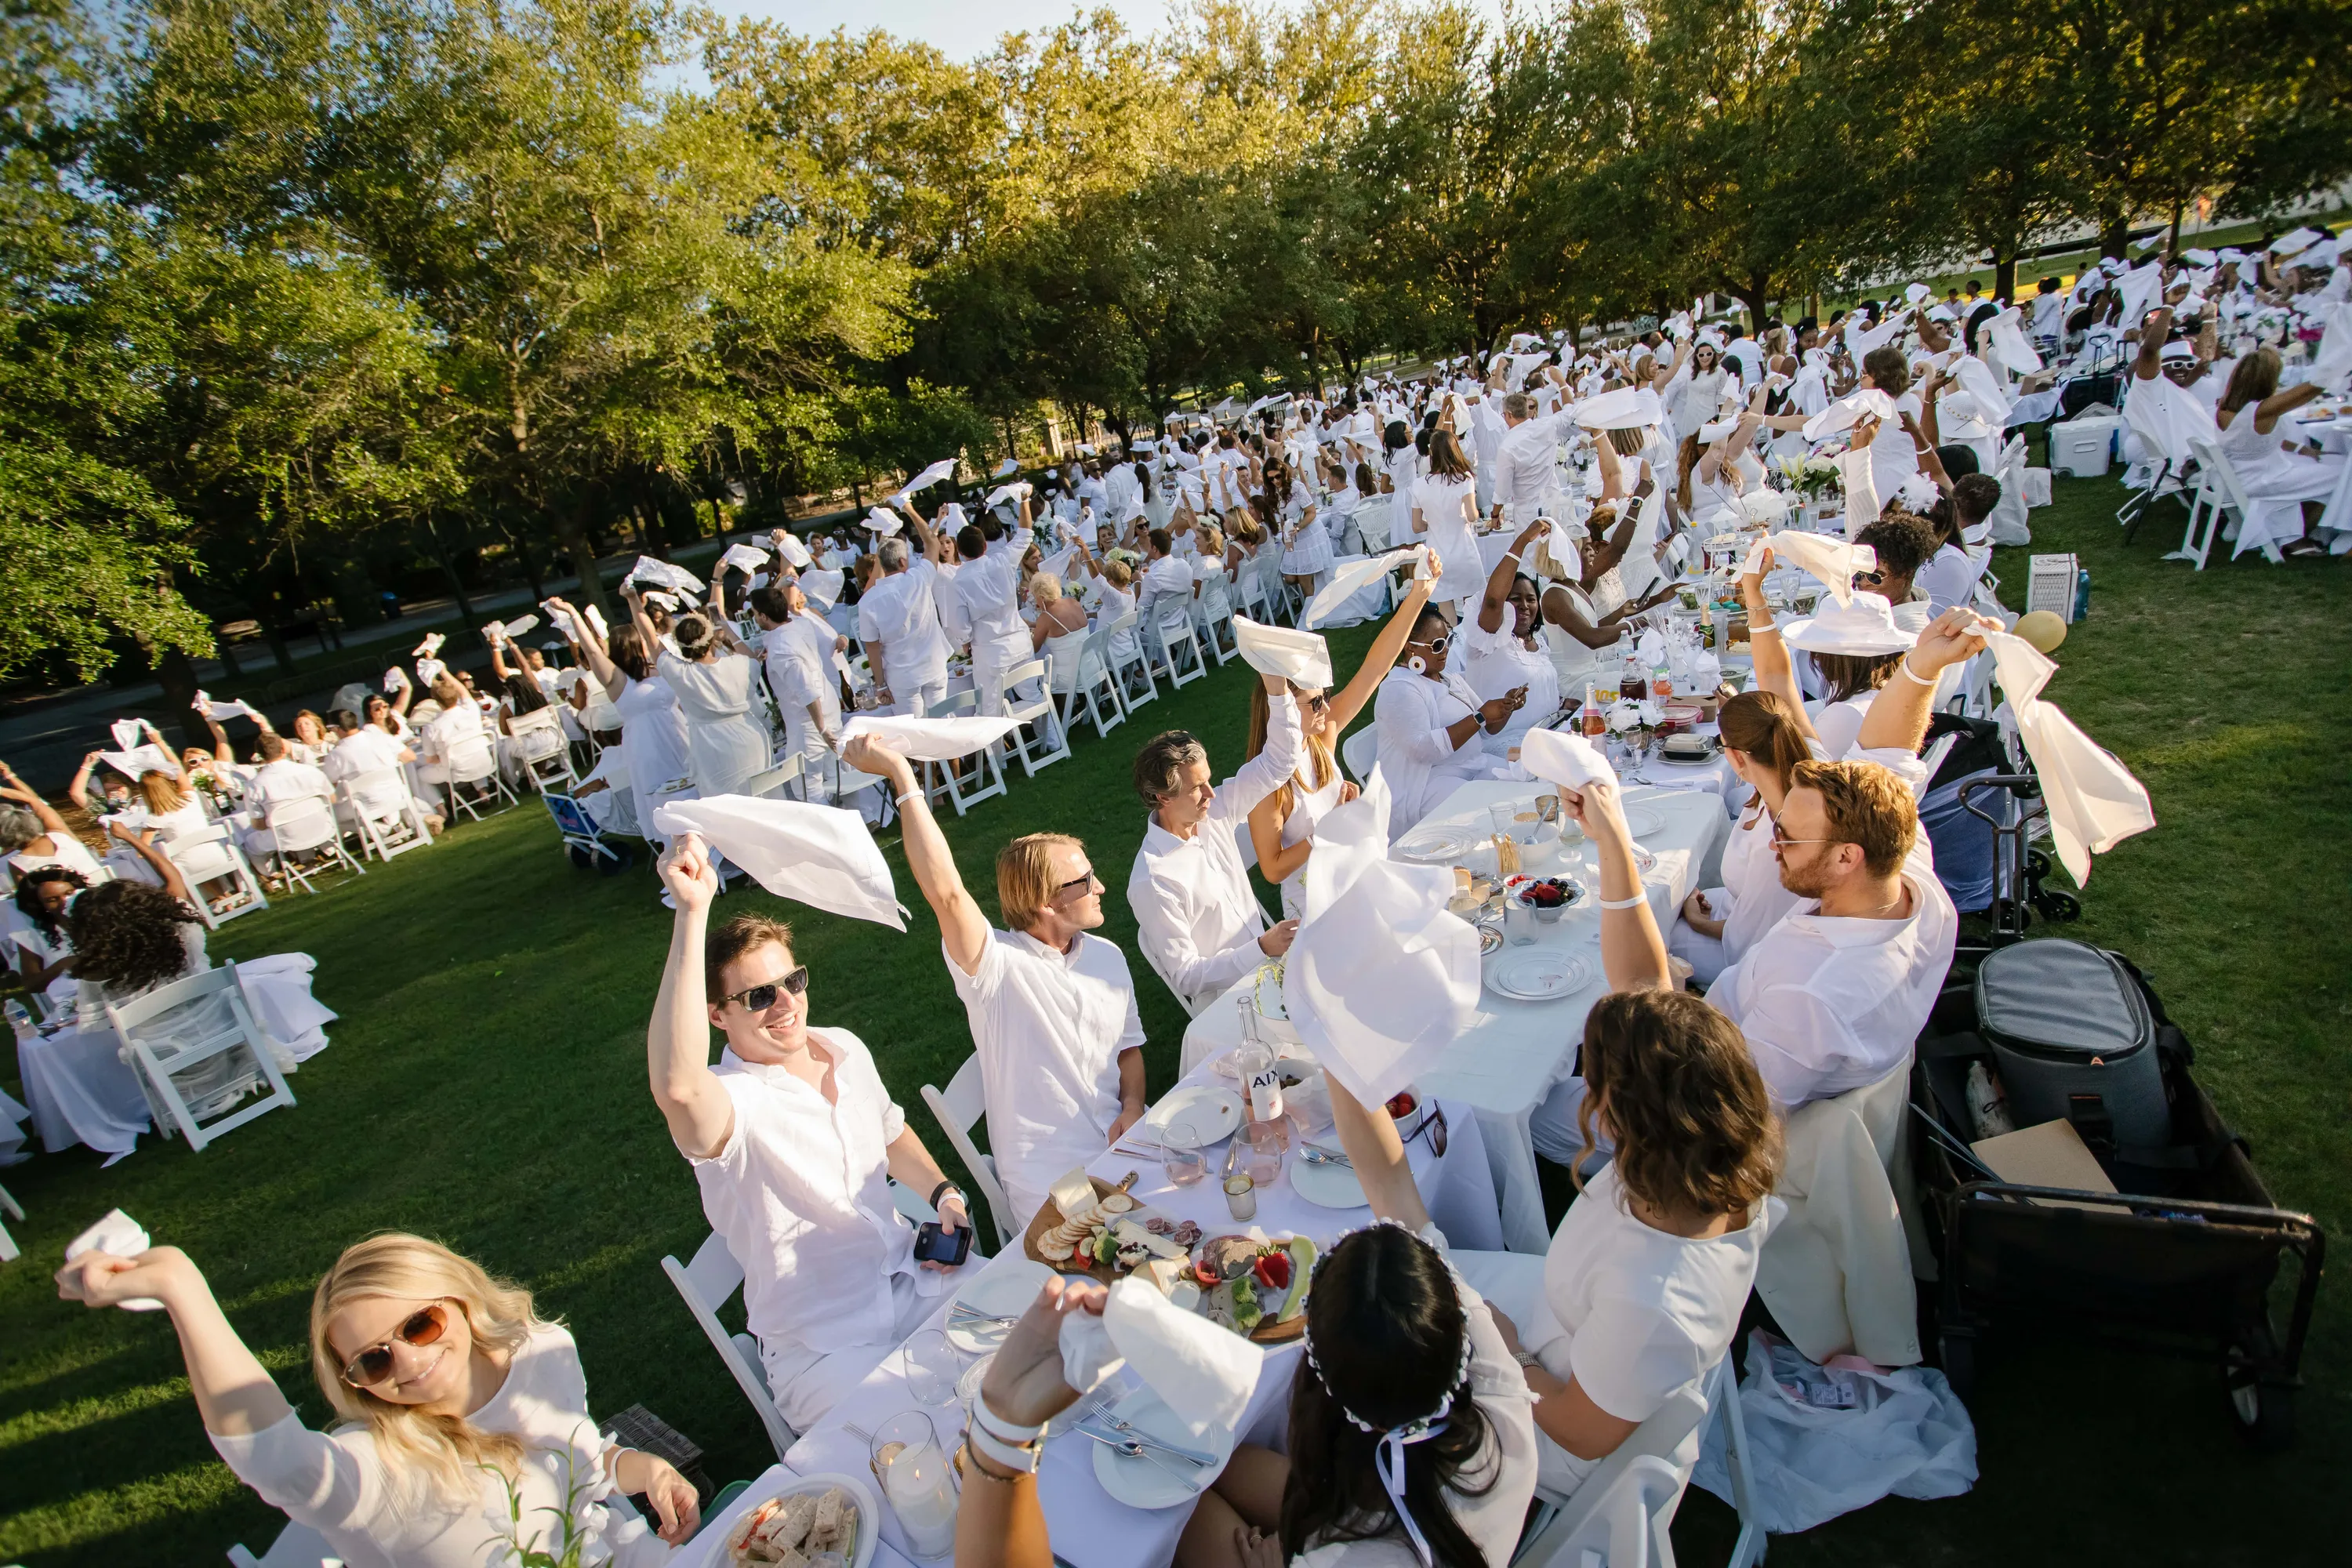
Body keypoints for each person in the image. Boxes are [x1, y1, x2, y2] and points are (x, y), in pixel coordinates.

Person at [56, 1233, 692, 1567]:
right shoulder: (377, 1468)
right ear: (354, 1381)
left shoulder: (539, 1352)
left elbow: (580, 1456)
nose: (408, 1362)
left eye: (419, 1325)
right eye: (375, 1360)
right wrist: (183, 1290)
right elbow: (276, 1461)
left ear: (458, 1297)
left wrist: (648, 1471)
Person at [646, 835, 974, 1430]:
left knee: (1037, 1336)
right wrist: (692, 912)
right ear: (717, 1014)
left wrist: (943, 1192)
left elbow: (889, 1132)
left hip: (914, 1281)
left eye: (792, 981)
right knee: (926, 1443)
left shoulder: (843, 1046)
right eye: (758, 996)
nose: (786, 1004)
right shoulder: (732, 1105)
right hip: (824, 1349)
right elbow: (679, 1089)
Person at [846, 733, 1145, 1227]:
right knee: (1119, 1251)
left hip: (1127, 1142)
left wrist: (1132, 1105)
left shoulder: (1108, 957)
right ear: (1046, 902)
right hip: (1053, 1179)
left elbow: (1128, 1050)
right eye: (1085, 882)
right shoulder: (995, 969)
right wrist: (902, 775)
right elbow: (946, 893)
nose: (1101, 887)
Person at [1704, 604, 1989, 1110]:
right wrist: (1921, 668)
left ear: (1845, 858)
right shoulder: (1899, 860)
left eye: (1787, 837)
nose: (1773, 845)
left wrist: (1661, 1001)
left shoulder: (1812, 993)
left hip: (1708, 1072)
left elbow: (1730, 1114)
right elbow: (1890, 749)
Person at [1246, 568, 1438, 919]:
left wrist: (1418, 596)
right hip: (1317, 907)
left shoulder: (1319, 740)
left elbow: (1375, 669)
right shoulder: (1265, 780)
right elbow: (1272, 869)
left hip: (1358, 875)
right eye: (1315, 702)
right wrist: (1328, 827)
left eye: (1325, 697)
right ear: (1281, 709)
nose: (1326, 708)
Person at [1126, 678, 1304, 1018]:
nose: (1211, 793)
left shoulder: (1215, 811)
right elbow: (1187, 977)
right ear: (1163, 798)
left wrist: (1277, 690)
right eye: (1197, 788)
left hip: (1277, 975)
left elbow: (1279, 763)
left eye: (1208, 780)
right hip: (1233, 1009)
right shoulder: (1153, 880)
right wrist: (1261, 948)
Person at [1667, 691, 1815, 987]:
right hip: (1735, 908)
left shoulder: (1778, 840)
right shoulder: (1772, 789)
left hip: (1757, 953)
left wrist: (1696, 919)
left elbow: (1749, 938)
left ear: (1736, 756)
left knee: (1658, 937)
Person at [553, 592, 698, 829]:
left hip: (681, 734)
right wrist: (573, 614)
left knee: (696, 788)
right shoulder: (617, 679)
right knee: (667, 798)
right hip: (648, 744)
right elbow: (592, 652)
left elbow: (651, 635)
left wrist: (633, 600)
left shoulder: (659, 666)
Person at [1374, 598, 1519, 835]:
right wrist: (1480, 717)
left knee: (1519, 786)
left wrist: (1505, 708)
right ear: (1410, 648)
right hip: (1425, 784)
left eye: (1448, 640)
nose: (1446, 650)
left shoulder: (1446, 676)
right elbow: (1422, 749)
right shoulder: (1400, 687)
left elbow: (1487, 728)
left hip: (1472, 765)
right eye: (1437, 645)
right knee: (1484, 814)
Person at [2213, 347, 2341, 557]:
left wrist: (2301, 449)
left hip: (2246, 476)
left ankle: (2307, 534)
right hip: (2265, 479)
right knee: (2344, 474)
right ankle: (2333, 536)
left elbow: (2255, 441)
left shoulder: (2226, 406)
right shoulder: (2262, 410)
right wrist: (2340, 361)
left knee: (2329, 465)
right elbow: (2312, 389)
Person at [645, 580, 768, 800]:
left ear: (681, 647)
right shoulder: (738, 663)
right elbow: (752, 659)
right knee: (766, 799)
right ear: (710, 639)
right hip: (749, 736)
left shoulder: (681, 673)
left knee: (726, 807)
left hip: (711, 746)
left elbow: (652, 642)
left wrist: (634, 603)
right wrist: (727, 628)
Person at [1459, 527, 1559, 758]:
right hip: (1504, 745)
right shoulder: (1488, 641)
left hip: (1547, 733)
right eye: (1515, 599)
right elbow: (1493, 600)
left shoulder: (1539, 641)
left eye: (1531, 599)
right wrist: (1523, 540)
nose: (1524, 605)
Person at [750, 583, 844, 802]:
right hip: (829, 706)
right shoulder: (801, 624)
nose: (754, 618)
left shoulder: (781, 648)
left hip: (810, 722)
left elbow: (806, 689)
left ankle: (830, 823)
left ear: (763, 616)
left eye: (755, 614)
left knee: (806, 788)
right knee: (836, 776)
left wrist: (821, 729)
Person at [858, 528, 954, 717]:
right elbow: (932, 543)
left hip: (902, 676)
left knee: (914, 729)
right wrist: (910, 512)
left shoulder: (867, 601)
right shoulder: (918, 578)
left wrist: (880, 684)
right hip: (932, 665)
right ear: (903, 561)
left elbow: (872, 646)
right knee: (942, 722)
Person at [1410, 430, 1484, 614]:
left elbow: (1417, 526)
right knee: (1472, 609)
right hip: (1463, 550)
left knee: (1446, 613)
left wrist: (1435, 522)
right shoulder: (1464, 479)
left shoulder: (1418, 484)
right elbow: (1472, 515)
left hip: (1437, 554)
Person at [0, 761, 104, 884]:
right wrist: (6, 782)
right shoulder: (60, 834)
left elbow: (27, 895)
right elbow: (33, 800)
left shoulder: (17, 864)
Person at [12, 864, 87, 1014]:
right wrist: (62, 965)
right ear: (41, 905)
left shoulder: (99, 916)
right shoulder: (33, 934)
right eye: (52, 899)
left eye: (69, 893)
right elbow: (31, 985)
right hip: (77, 1002)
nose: (64, 902)